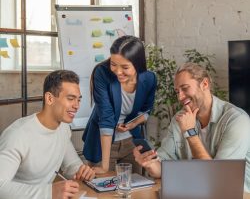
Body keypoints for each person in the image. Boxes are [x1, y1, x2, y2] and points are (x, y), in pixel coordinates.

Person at [133, 62, 250, 192]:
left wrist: (190, 132)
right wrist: (149, 163)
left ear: (205, 84)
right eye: (177, 91)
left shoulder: (237, 120)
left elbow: (218, 179)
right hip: (195, 192)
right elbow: (162, 168)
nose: (180, 97)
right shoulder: (179, 119)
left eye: (185, 88)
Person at [0, 70, 95, 199]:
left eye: (78, 100)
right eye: (71, 99)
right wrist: (49, 192)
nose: (77, 105)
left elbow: (71, 165)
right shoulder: (17, 135)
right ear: (50, 98)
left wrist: (81, 171)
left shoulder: (63, 128)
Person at [82, 35, 157, 174]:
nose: (118, 71)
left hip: (131, 143)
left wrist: (133, 124)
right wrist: (104, 166)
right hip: (102, 144)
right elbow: (106, 118)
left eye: (125, 67)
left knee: (134, 189)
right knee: (103, 190)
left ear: (138, 64)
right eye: (113, 64)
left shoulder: (150, 78)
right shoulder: (102, 74)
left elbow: (147, 109)